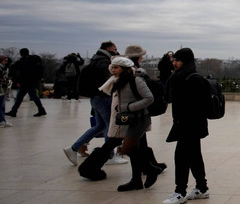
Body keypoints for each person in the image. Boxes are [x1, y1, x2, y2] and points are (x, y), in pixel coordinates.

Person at [92, 56, 161, 191]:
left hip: (139, 119)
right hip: (128, 119)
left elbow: (149, 98)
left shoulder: (136, 80)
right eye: (112, 67)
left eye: (116, 67)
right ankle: (136, 180)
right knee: (135, 150)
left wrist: (129, 107)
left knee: (127, 149)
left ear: (125, 69)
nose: (113, 70)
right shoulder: (117, 81)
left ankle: (151, 170)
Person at [64, 41, 127, 166]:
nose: (116, 51)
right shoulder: (104, 61)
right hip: (103, 97)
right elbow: (110, 78)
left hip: (96, 97)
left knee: (100, 126)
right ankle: (109, 155)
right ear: (109, 48)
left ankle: (74, 148)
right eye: (115, 49)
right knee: (110, 126)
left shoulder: (96, 59)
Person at [162, 47, 210, 204]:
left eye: (177, 60)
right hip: (188, 124)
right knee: (194, 156)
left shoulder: (190, 78)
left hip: (188, 124)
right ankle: (202, 188)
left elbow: (192, 104)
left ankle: (180, 191)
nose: (174, 63)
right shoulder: (184, 76)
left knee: (181, 157)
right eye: (173, 60)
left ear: (185, 61)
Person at [123, 45, 167, 173]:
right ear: (139, 57)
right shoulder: (135, 71)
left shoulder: (128, 70)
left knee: (138, 139)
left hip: (131, 108)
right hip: (134, 109)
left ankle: (147, 166)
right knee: (133, 141)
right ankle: (148, 167)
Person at [6, 48, 47, 117]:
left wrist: (18, 81)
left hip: (25, 82)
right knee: (24, 97)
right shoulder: (33, 60)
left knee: (27, 97)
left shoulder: (23, 61)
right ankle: (14, 111)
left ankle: (41, 110)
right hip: (32, 82)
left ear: (21, 54)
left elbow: (21, 73)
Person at [0, 55, 12, 127]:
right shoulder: (1, 68)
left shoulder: (4, 68)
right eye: (5, 61)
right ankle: (2, 121)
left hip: (2, 88)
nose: (6, 62)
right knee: (1, 105)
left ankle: (2, 120)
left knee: (2, 105)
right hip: (1, 88)